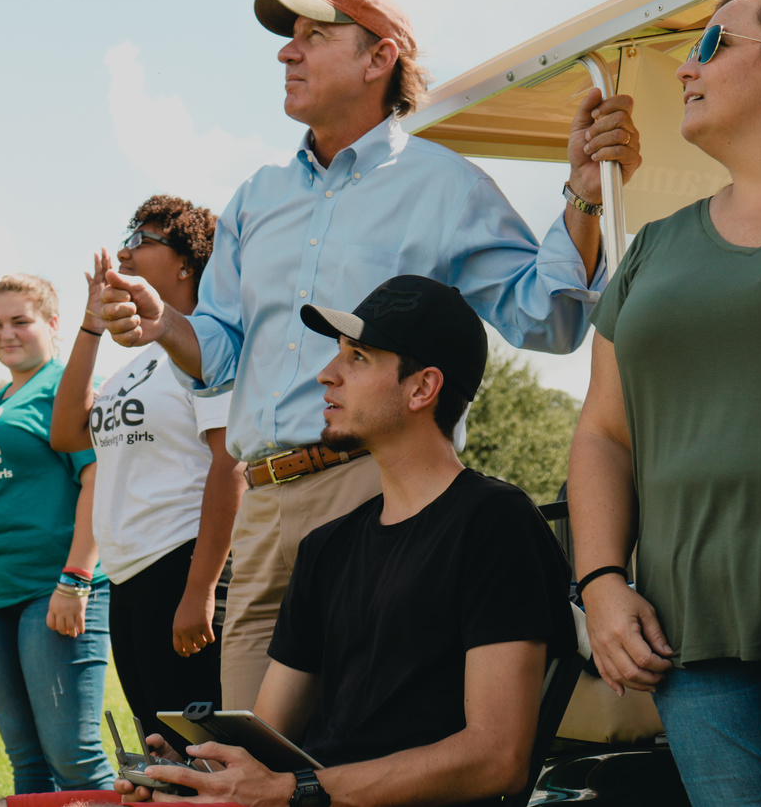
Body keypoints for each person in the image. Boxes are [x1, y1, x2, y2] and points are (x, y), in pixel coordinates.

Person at [101, 0, 641, 707]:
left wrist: (579, 197)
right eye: (288, 37)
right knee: (249, 752)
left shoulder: (445, 184)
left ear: (379, 56)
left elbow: (546, 318)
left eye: (313, 36)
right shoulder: (255, 196)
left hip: (376, 492)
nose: (287, 53)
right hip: (260, 507)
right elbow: (222, 355)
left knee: (363, 740)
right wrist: (165, 323)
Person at [115, 275, 575, 807]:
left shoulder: (494, 522)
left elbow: (497, 759)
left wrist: (295, 791)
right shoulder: (326, 548)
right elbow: (269, 746)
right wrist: (198, 779)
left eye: (358, 358)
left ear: (422, 388)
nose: (325, 375)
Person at [568, 0, 761, 807]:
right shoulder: (652, 248)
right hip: (692, 638)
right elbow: (604, 432)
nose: (686, 67)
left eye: (714, 43)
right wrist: (602, 581)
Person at [51, 196, 245, 748]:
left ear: (186, 263)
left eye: (144, 239)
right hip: (129, 578)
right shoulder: (134, 364)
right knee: (160, 751)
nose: (126, 249)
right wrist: (91, 325)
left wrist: (202, 589)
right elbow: (67, 434)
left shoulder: (207, 348)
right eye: (126, 235)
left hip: (183, 567)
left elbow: (230, 465)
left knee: (202, 753)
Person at [0, 274, 116, 793]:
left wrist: (76, 578)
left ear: (53, 324)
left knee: (75, 758)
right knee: (27, 763)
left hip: (55, 589)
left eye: (21, 321)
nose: (6, 334)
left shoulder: (67, 388)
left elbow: (96, 479)